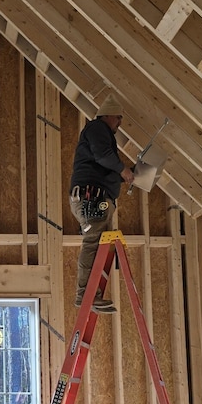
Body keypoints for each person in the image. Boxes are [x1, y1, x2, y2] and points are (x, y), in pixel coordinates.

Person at [69, 94, 134, 314]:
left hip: (97, 199)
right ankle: (84, 295)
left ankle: (92, 294)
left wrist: (123, 175)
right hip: (91, 198)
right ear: (107, 115)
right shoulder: (97, 128)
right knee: (93, 241)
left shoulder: (103, 134)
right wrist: (123, 170)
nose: (119, 123)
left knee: (100, 244)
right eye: (118, 118)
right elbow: (103, 156)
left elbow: (104, 162)